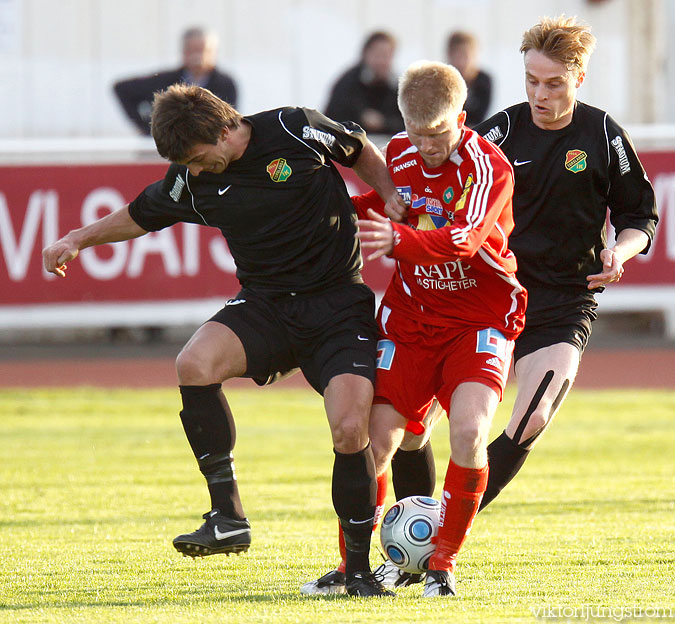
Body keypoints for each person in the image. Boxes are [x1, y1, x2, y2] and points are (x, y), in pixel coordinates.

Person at [42, 84, 406, 598]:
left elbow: (359, 150)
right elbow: (140, 214)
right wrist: (75, 239)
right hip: (266, 305)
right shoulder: (193, 180)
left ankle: (359, 571)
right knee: (194, 363)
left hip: (336, 305)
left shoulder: (293, 127)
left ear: (226, 130)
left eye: (196, 158)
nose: (192, 171)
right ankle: (227, 515)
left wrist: (390, 192)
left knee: (351, 431)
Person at [387, 15, 658, 534]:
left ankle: (438, 534)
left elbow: (639, 215)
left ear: (578, 78)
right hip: (487, 296)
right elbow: (440, 187)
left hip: (563, 301)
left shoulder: (603, 135)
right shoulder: (499, 132)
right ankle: (411, 540)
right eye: (531, 80)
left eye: (554, 83)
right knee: (411, 428)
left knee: (532, 418)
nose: (540, 93)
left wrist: (621, 251)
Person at [301, 60, 526, 598]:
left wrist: (397, 241)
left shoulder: (487, 167)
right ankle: (352, 567)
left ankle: (443, 563)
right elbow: (379, 203)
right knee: (372, 443)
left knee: (470, 433)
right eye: (418, 133)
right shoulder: (398, 153)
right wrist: (325, 215)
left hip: (480, 320)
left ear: (463, 119)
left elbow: (466, 239)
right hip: (409, 322)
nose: (427, 146)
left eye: (439, 133)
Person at [114, 27, 238, 135]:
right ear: (184, 52)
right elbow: (122, 88)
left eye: (202, 50)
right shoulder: (166, 81)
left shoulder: (225, 83)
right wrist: (147, 127)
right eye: (192, 50)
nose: (198, 57)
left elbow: (230, 121)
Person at [324, 31, 404, 137]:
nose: (381, 61)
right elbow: (333, 119)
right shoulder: (348, 83)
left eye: (386, 55)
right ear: (365, 53)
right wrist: (361, 118)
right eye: (377, 54)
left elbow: (408, 123)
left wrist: (384, 122)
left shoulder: (397, 87)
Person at [446, 31, 492, 126]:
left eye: (466, 56)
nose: (462, 62)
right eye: (457, 56)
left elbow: (481, 117)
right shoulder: (442, 81)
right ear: (449, 56)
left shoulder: (484, 81)